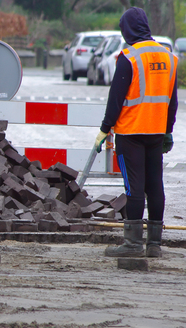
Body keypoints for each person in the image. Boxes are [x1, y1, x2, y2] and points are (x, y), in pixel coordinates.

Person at [95, 7, 178, 258]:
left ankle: (132, 244)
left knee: (134, 187)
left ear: (128, 29)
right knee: (155, 186)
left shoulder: (128, 57)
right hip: (155, 133)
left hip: (130, 133)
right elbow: (172, 102)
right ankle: (154, 245)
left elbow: (116, 98)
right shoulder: (169, 57)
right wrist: (168, 131)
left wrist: (104, 129)